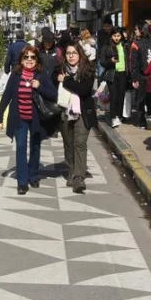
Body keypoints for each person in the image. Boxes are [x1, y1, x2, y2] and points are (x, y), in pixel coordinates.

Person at [0, 45, 58, 195]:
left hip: (37, 118)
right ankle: (22, 182)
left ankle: (33, 175)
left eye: (33, 57)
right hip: (19, 117)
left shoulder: (41, 74)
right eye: (26, 57)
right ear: (21, 60)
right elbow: (7, 95)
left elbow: (54, 95)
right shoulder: (15, 75)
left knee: (35, 146)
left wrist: (40, 86)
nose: (29, 60)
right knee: (21, 147)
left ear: (37, 59)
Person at [56, 42, 98, 193]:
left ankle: (79, 177)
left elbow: (83, 90)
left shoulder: (88, 70)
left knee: (79, 143)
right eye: (68, 53)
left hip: (82, 112)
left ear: (80, 54)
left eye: (74, 53)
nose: (71, 56)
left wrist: (66, 81)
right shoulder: (60, 70)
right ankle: (72, 170)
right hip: (64, 111)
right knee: (69, 144)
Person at [98, 28, 128, 126]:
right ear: (111, 36)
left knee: (121, 96)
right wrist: (110, 61)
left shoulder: (124, 45)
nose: (116, 38)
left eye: (118, 36)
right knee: (114, 96)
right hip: (112, 74)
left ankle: (119, 116)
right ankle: (113, 117)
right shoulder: (106, 47)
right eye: (114, 36)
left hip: (123, 74)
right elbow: (102, 62)